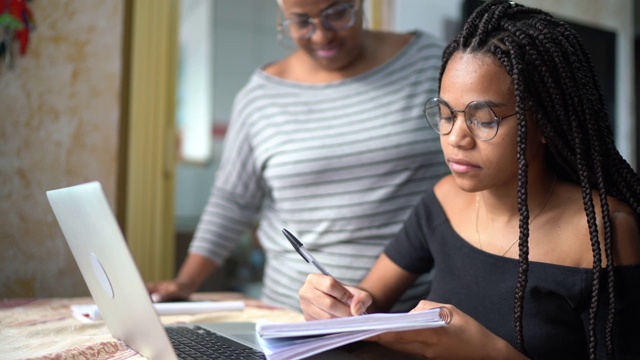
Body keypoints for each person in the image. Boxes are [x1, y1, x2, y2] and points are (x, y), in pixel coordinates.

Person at [298, 1, 640, 358]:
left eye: (484, 118)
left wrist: (488, 351)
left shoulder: (602, 232)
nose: (456, 138)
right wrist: (335, 307)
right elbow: (365, 303)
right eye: (446, 114)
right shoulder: (443, 201)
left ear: (543, 122)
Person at [147, 0, 449, 311]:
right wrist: (185, 283)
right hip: (293, 318)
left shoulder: (431, 63)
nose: (321, 36)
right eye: (301, 21)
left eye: (337, 14)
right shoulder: (260, 97)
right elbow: (232, 201)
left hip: (412, 316)